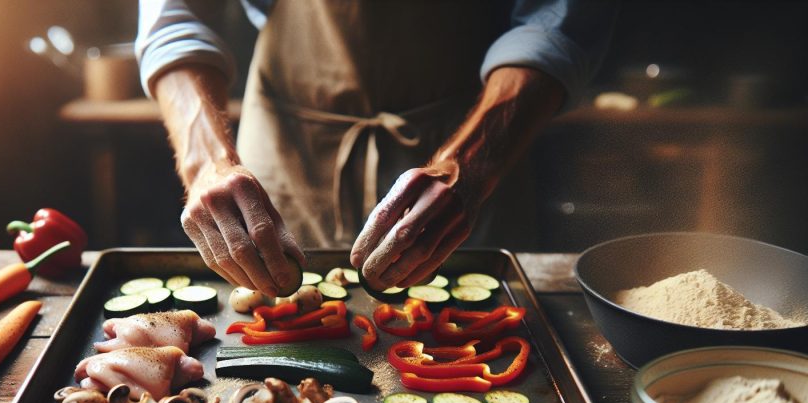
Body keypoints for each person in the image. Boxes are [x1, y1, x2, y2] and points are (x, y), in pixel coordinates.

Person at [136, 0, 618, 295]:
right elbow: (176, 15)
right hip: (289, 140)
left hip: (476, 128)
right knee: (273, 295)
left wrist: (469, 165)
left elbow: (559, 21)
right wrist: (207, 164)